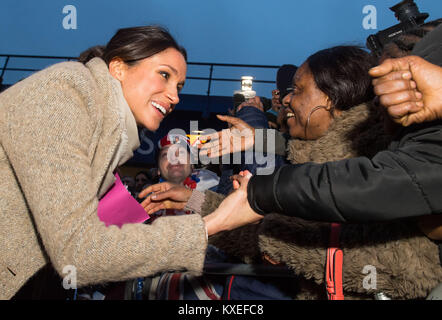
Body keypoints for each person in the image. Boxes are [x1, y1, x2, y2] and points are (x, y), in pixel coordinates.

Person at [140, 44, 442, 299]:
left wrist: (282, 246)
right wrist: (190, 200)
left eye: (298, 89)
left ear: (333, 98)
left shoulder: (374, 166)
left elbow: (409, 271)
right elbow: (257, 231)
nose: (285, 99)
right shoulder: (313, 160)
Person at [0, 25, 230, 300]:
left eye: (179, 86)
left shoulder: (203, 181)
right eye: (164, 75)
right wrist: (209, 226)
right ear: (118, 68)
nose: (175, 97)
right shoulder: (65, 90)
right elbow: (79, 249)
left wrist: (198, 205)